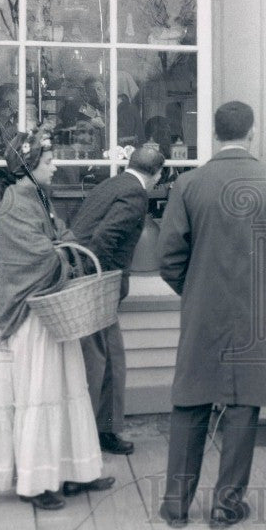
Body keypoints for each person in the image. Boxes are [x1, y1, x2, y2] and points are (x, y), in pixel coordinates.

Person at [156, 101, 266, 528]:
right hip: (255, 313)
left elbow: (167, 256)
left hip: (202, 311)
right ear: (253, 133)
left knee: (190, 401)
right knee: (243, 406)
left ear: (213, 134)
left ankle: (176, 505)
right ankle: (226, 506)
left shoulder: (188, 185)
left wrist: (194, 290)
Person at [0, 128, 113, 511]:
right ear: (29, 164)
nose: (55, 166)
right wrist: (68, 255)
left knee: (66, 388)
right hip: (32, 312)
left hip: (53, 308)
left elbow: (61, 236)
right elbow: (34, 258)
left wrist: (72, 248)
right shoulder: (13, 202)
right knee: (40, 394)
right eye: (49, 160)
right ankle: (36, 483)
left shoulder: (37, 196)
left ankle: (74, 471)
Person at [69, 145, 166, 456]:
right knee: (103, 362)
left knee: (110, 361)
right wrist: (101, 282)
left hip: (84, 278)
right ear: (157, 174)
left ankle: (102, 431)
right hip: (96, 285)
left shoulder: (111, 184)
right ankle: (94, 434)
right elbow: (104, 239)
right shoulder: (136, 195)